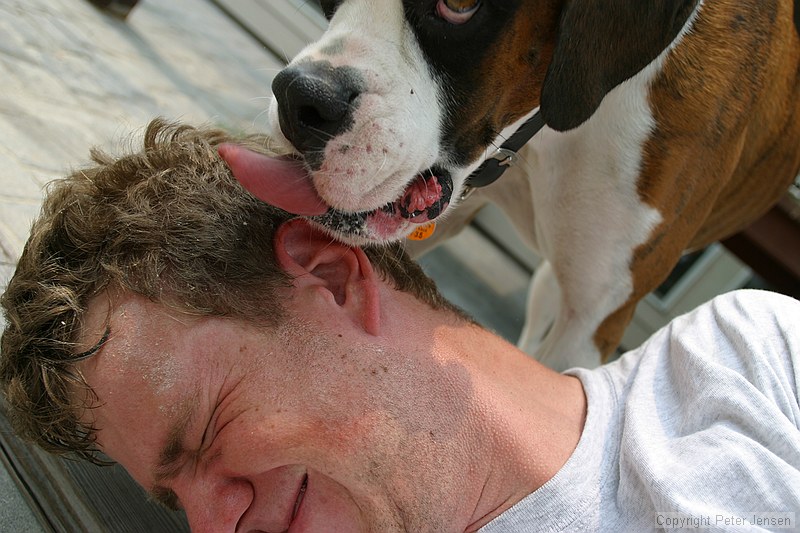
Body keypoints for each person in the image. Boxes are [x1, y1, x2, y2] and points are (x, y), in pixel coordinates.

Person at [1, 119, 799, 533]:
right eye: (176, 505)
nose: (215, 525)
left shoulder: (744, 363)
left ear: (332, 279)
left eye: (208, 432)